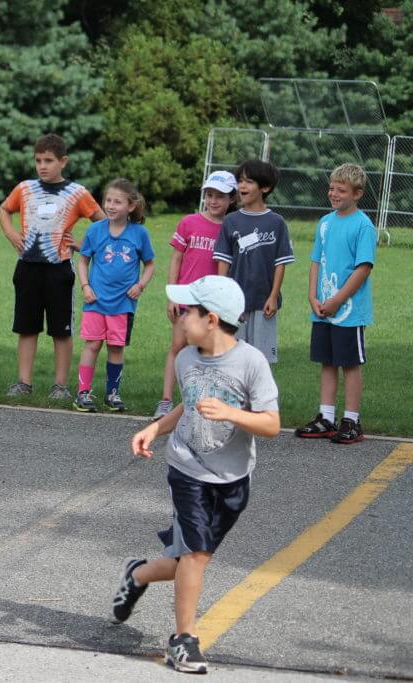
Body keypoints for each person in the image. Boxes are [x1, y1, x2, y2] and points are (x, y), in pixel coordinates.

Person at [114, 275, 280, 674]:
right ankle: (183, 640)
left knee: (189, 560)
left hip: (234, 479)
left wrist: (231, 414)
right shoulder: (186, 359)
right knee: (197, 553)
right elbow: (185, 408)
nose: (179, 316)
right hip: (187, 470)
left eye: (187, 311)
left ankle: (136, 574)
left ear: (212, 319)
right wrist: (156, 427)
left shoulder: (250, 362)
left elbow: (272, 424)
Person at [0, 133, 104, 401]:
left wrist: (82, 245)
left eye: (48, 160)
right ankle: (24, 382)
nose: (42, 166)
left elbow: (103, 224)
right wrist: (11, 233)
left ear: (63, 161)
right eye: (38, 160)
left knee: (61, 330)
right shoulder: (24, 188)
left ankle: (60, 385)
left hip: (59, 270)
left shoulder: (77, 193)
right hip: (27, 267)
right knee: (26, 327)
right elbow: (3, 210)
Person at [294, 163, 376, 444]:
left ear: (357, 193)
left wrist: (338, 299)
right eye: (331, 188)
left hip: (348, 313)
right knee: (327, 361)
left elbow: (363, 268)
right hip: (323, 309)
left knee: (349, 363)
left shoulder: (363, 225)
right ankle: (326, 417)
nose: (334, 193)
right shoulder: (325, 223)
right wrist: (312, 297)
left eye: (341, 190)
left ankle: (352, 420)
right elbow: (316, 261)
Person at [153, 171, 238, 420]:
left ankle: (197, 400)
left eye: (220, 197)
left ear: (231, 199)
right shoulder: (189, 222)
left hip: (212, 302)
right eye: (210, 195)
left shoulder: (231, 228)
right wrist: (172, 296)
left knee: (207, 351)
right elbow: (177, 258)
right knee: (178, 346)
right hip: (186, 297)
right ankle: (166, 400)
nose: (213, 201)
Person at [74, 178, 155, 413]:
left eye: (117, 202)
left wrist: (140, 286)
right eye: (108, 200)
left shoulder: (139, 233)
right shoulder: (95, 230)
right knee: (92, 345)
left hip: (123, 304)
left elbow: (150, 265)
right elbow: (83, 260)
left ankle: (112, 394)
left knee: (116, 348)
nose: (110, 205)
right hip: (95, 301)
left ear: (130, 206)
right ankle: (83, 392)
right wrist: (85, 286)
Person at [213, 159, 295, 364]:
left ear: (264, 187)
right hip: (235, 302)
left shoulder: (276, 222)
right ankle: (235, 397)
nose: (241, 186)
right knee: (233, 357)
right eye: (240, 181)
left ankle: (261, 397)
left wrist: (274, 296)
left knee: (261, 359)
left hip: (263, 302)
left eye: (248, 182)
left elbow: (280, 263)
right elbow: (223, 262)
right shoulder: (230, 221)